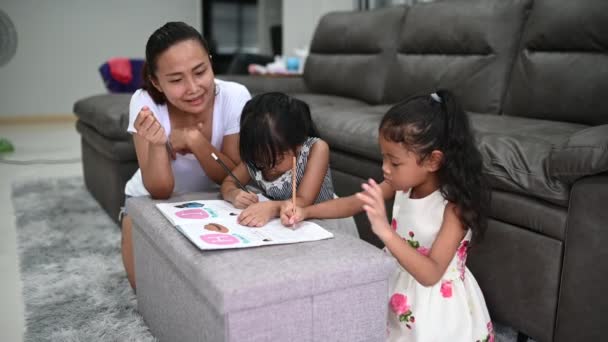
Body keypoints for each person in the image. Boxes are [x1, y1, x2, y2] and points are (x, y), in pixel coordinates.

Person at [281, 90, 494, 341]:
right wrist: (306, 211)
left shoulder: (455, 207)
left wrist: (385, 231)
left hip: (433, 307)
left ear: (433, 161)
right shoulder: (402, 185)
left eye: (394, 162)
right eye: (384, 158)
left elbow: (431, 273)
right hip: (396, 282)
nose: (385, 169)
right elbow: (353, 204)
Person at [120, 22, 251, 289]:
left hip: (217, 199)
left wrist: (195, 141)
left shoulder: (235, 96)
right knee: (146, 292)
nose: (192, 88)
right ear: (157, 81)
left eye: (200, 71)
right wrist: (158, 144)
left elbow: (233, 177)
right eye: (177, 80)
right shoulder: (144, 102)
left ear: (210, 62)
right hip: (150, 200)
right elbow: (159, 189)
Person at [220, 92, 335, 227]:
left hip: (320, 221)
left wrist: (271, 208)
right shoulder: (257, 154)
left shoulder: (316, 149)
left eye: (278, 159)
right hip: (282, 223)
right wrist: (233, 194)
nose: (269, 166)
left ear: (298, 142)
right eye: (260, 159)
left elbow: (304, 201)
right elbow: (229, 182)